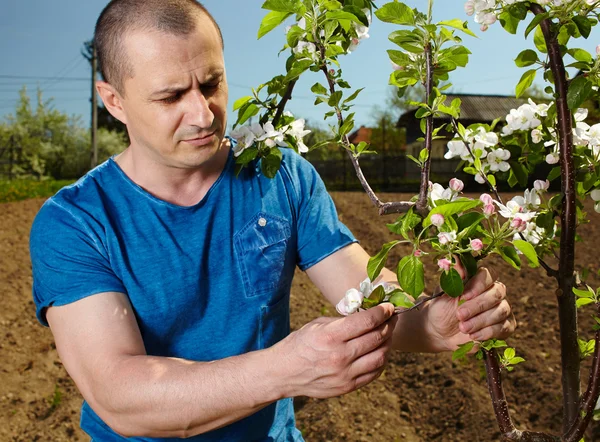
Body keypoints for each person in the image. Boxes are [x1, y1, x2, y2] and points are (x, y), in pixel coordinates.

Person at [29, 1, 516, 441]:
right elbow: (120, 397)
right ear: (113, 100)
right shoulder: (76, 222)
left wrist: (431, 323)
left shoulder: (278, 173)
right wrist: (286, 369)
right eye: (170, 96)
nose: (202, 114)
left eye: (211, 83)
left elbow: (364, 293)